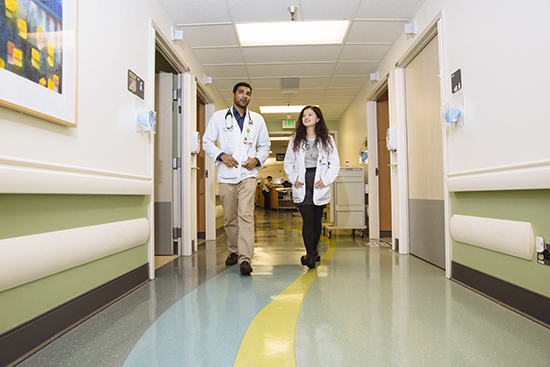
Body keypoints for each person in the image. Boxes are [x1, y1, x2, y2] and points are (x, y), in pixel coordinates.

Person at [203, 82, 270, 275]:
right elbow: (207, 141)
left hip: (248, 175)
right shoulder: (218, 117)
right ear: (233, 95)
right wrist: (221, 155)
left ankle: (245, 258)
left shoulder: (257, 120)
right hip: (226, 175)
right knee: (230, 217)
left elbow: (265, 145)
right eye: (241, 92)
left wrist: (256, 159)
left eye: (248, 93)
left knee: (246, 216)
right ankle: (233, 251)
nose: (245, 96)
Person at [284, 106, 340, 269]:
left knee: (316, 219)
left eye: (310, 114)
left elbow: (334, 163)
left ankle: (314, 251)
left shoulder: (327, 139)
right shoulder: (295, 139)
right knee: (307, 219)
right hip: (302, 181)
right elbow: (288, 162)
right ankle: (309, 254)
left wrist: (326, 179)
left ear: (318, 119)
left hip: (319, 182)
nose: (306, 117)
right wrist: (294, 178)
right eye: (303, 115)